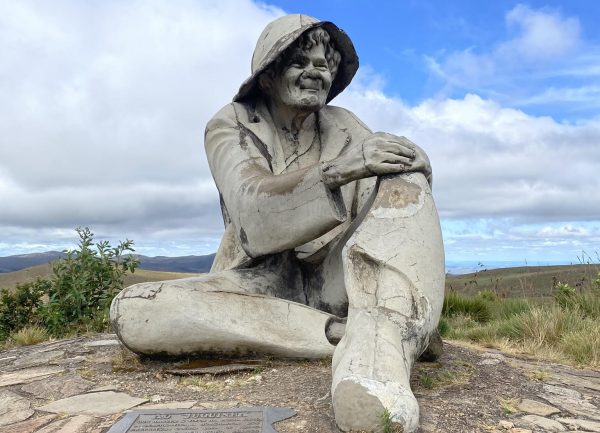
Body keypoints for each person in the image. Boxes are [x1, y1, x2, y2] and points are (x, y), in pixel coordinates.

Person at [111, 14, 445, 433]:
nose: (314, 73)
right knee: (138, 308)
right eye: (299, 62)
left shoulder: (342, 124)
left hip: (337, 277)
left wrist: (418, 162)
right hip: (259, 286)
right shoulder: (231, 124)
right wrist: (337, 171)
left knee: (405, 178)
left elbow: (393, 170)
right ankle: (346, 336)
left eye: (324, 64)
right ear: (268, 76)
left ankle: (382, 347)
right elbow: (253, 214)